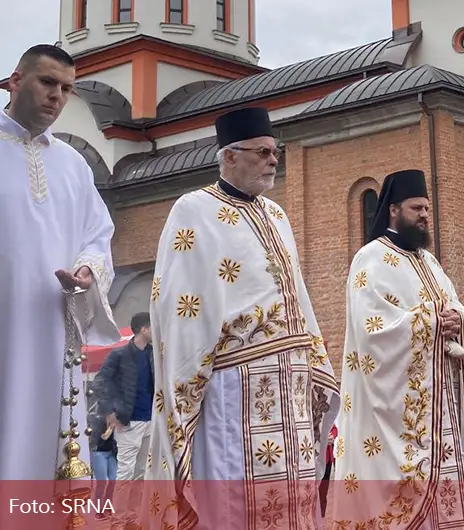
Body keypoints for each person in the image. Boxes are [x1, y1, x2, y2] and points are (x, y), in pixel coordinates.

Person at [144, 106, 339, 530]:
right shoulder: (193, 210)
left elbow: (298, 296)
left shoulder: (278, 215)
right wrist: (187, 381)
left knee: (297, 490)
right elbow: (182, 304)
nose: (274, 160)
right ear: (229, 156)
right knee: (241, 495)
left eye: (276, 152)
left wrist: (313, 356)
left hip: (291, 378)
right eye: (264, 152)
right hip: (235, 383)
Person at [0, 44, 120, 480]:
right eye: (47, 82)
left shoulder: (74, 165)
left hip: (53, 329)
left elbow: (98, 234)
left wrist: (88, 269)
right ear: (15, 81)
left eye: (66, 89)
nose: (57, 96)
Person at [331, 169, 464, 529]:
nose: (425, 215)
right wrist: (432, 321)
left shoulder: (430, 262)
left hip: (438, 404)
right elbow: (371, 332)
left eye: (427, 208)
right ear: (393, 210)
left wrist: (457, 317)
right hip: (394, 412)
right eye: (416, 208)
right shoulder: (371, 258)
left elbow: (453, 305)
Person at [93, 312, 153, 512]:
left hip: (151, 419)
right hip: (128, 420)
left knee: (143, 470)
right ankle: (118, 517)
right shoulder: (119, 354)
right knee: (126, 471)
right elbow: (100, 382)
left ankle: (134, 514)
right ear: (144, 329)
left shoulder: (154, 354)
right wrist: (109, 412)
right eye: (153, 327)